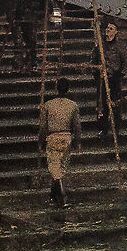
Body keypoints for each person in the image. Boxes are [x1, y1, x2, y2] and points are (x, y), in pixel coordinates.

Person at [39, 79, 81, 209]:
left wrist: (40, 141)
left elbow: (43, 127)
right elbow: (77, 126)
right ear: (68, 90)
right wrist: (78, 141)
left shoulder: (47, 105)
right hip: (66, 137)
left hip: (53, 137)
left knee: (55, 167)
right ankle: (53, 195)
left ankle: (63, 198)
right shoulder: (73, 105)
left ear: (56, 90)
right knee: (59, 167)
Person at [98, 19, 127, 130]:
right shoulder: (100, 45)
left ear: (116, 32)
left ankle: (116, 128)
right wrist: (97, 74)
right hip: (102, 79)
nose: (108, 30)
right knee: (101, 105)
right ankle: (103, 129)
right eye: (107, 28)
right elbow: (93, 60)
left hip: (114, 79)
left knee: (115, 104)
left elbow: (126, 63)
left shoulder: (120, 46)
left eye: (111, 29)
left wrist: (119, 76)